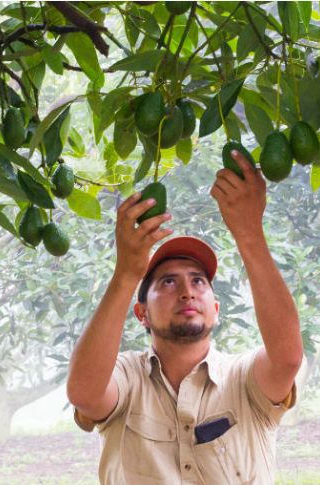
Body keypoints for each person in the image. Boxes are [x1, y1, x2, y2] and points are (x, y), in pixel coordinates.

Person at [66, 150, 304, 485]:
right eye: (167, 282)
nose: (187, 291)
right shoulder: (125, 378)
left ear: (216, 309)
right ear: (141, 313)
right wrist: (126, 274)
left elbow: (288, 358)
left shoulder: (243, 379)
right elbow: (84, 394)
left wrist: (249, 233)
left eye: (198, 281)